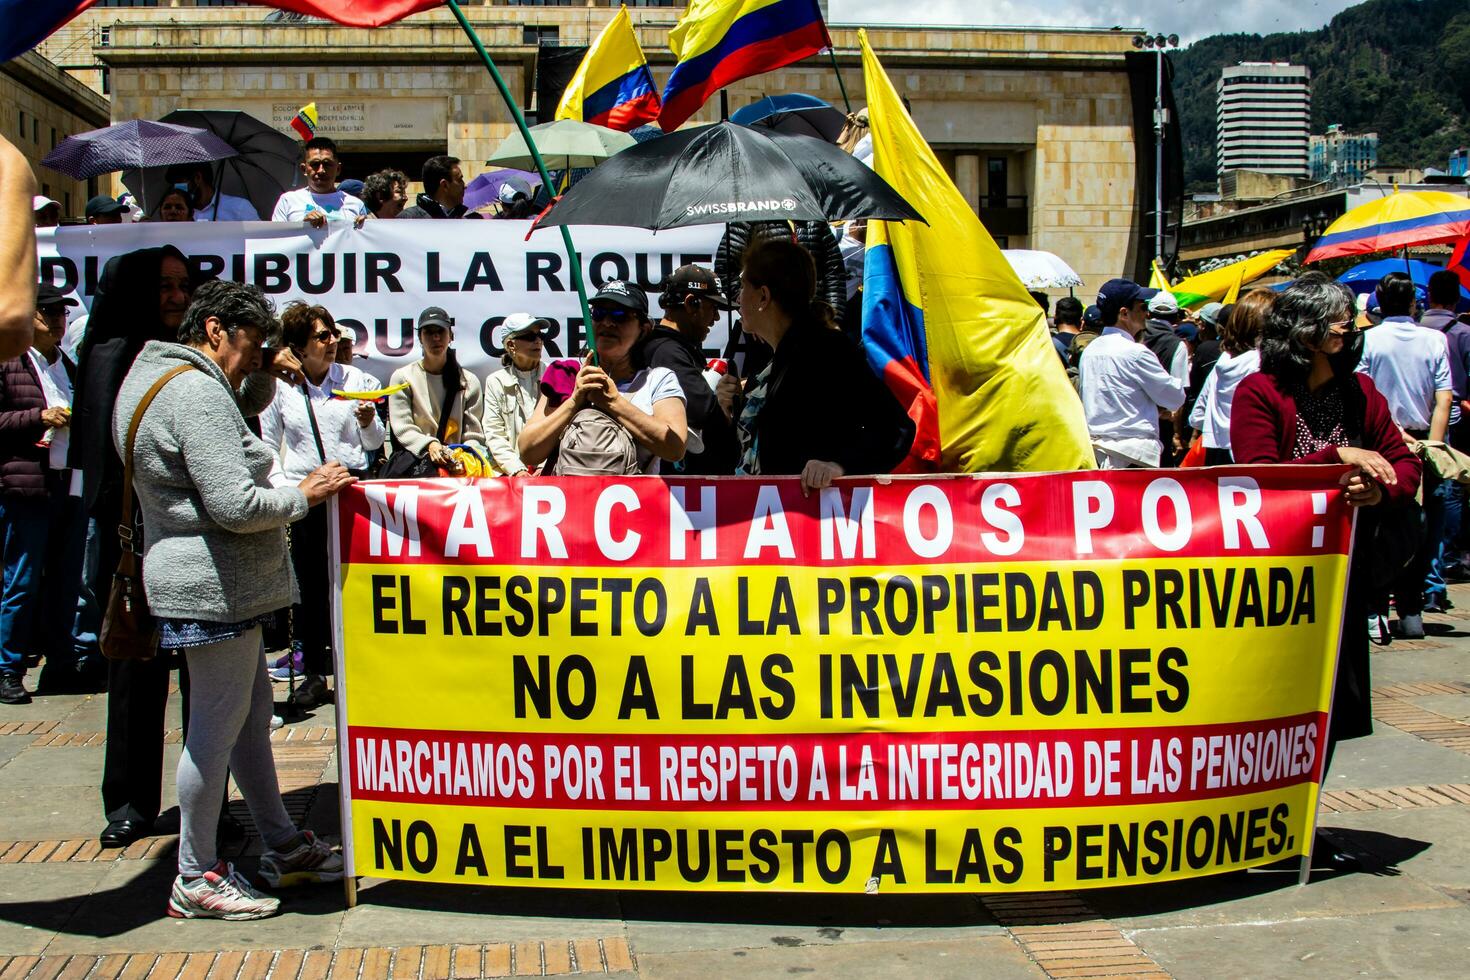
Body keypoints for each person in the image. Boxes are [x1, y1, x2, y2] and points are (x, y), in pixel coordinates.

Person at [114, 279, 350, 920]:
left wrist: (260, 372)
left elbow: (230, 416)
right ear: (215, 329)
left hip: (209, 578)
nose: (258, 356)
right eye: (252, 343)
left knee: (246, 722)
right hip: (214, 584)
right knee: (214, 732)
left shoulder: (157, 375)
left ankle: (278, 841)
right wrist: (306, 494)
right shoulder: (196, 393)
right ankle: (195, 872)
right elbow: (235, 504)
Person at [1230, 274, 1420, 868]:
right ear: (1302, 328)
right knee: (1272, 706)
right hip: (1281, 579)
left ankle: (1303, 825)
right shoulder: (1259, 392)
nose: (1348, 324)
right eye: (1335, 316)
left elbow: (1402, 463)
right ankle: (1261, 824)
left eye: (1348, 316)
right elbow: (1259, 476)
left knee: (1331, 704)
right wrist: (1335, 458)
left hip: (1346, 575)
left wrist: (1377, 489)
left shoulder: (1361, 391)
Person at [68, 246, 197, 847]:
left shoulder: (198, 358)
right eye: (163, 286)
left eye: (182, 285)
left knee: (206, 682)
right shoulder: (111, 357)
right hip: (135, 542)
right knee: (133, 675)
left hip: (195, 539)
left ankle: (205, 802)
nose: (175, 297)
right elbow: (100, 461)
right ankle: (128, 803)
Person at [258, 303, 385, 707]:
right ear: (298, 346)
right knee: (310, 586)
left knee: (354, 582)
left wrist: (367, 421)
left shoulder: (355, 378)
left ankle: (358, 671)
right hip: (308, 493)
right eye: (321, 336)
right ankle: (312, 672)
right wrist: (287, 491)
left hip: (350, 490)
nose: (331, 343)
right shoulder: (281, 387)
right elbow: (266, 445)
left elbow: (374, 443)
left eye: (332, 335)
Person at [731, 240, 914, 493]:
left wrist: (839, 466)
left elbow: (895, 429)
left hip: (817, 524)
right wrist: (724, 409)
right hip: (772, 521)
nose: (737, 297)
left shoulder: (829, 351)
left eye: (742, 286)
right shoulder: (770, 364)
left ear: (763, 296)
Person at [1356, 271, 1453, 636]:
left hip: (1382, 442)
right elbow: (1444, 397)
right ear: (1413, 302)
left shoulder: (1368, 341)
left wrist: (1399, 439)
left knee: (1381, 525)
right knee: (1426, 524)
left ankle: (1380, 605)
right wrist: (1432, 444)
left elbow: (1367, 394)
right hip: (1424, 440)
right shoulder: (1435, 340)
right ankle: (1411, 606)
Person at [0, 285, 81, 704]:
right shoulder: (10, 363)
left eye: (61, 313)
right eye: (46, 312)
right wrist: (38, 416)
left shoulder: (67, 364)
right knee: (23, 579)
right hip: (27, 485)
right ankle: (8, 668)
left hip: (68, 482)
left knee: (66, 581)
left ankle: (60, 664)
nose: (56, 320)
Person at [518, 281, 688, 475]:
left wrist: (613, 402)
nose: (607, 322)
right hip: (567, 503)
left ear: (644, 328)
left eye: (619, 314)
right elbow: (527, 452)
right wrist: (574, 401)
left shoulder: (658, 380)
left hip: (630, 504)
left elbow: (675, 448)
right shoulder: (566, 374)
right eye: (599, 313)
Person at [641, 265, 741, 475]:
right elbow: (703, 414)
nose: (716, 318)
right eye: (713, 308)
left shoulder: (670, 349)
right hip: (681, 491)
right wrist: (721, 400)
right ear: (690, 304)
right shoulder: (668, 352)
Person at [1078, 279, 1185, 469]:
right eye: (1142, 307)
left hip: (1098, 453)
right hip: (1133, 455)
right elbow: (1175, 397)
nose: (1147, 313)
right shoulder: (1136, 353)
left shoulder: (1090, 351)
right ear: (1124, 313)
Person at [387, 307, 487, 474]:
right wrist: (430, 445)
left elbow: (474, 436)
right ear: (420, 337)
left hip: (457, 471)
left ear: (451, 336)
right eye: (429, 332)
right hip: (417, 469)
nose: (435, 338)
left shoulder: (469, 381)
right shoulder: (403, 378)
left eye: (440, 331)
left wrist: (463, 460)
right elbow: (402, 428)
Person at [1189, 290, 1272, 465]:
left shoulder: (1223, 361)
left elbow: (1197, 416)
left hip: (1215, 451)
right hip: (1250, 452)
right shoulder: (1262, 364)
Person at [481, 313, 549, 476]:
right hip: (509, 477)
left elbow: (564, 428)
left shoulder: (553, 375)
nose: (537, 340)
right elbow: (494, 433)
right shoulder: (495, 381)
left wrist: (544, 466)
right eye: (529, 336)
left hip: (550, 473)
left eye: (540, 335)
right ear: (511, 345)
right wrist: (517, 470)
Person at [271, 136, 367, 227]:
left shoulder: (356, 205)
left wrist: (365, 227)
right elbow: (276, 239)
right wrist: (302, 227)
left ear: (338, 169)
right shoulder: (288, 201)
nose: (321, 170)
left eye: (327, 164)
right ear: (304, 169)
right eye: (315, 164)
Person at [167, 163, 259, 222]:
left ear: (198, 178)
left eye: (179, 181)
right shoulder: (178, 213)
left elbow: (257, 242)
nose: (177, 188)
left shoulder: (239, 207)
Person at [399, 155, 481, 220]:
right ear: (445, 185)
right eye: (460, 180)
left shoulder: (473, 220)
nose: (465, 186)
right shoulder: (407, 220)